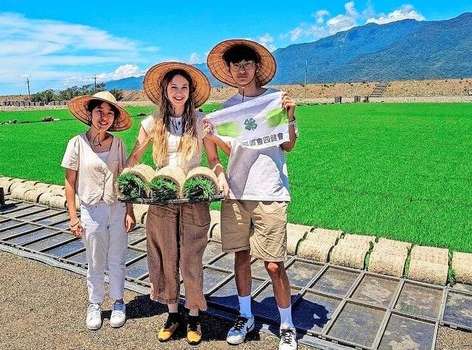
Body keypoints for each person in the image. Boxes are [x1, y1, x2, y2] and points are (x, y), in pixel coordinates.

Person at [204, 39, 299, 350]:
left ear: (257, 68)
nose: (241, 70)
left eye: (246, 64)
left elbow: (287, 146)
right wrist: (211, 136)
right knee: (241, 258)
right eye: (235, 66)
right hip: (236, 192)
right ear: (229, 71)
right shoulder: (227, 109)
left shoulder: (275, 101)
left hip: (270, 190)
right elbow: (232, 151)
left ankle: (286, 324)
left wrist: (290, 118)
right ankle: (245, 316)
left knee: (274, 264)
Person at [126, 62, 211, 345]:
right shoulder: (150, 125)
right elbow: (135, 158)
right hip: (162, 197)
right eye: (173, 86)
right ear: (165, 90)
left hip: (192, 198)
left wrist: (219, 177)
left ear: (190, 92)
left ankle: (195, 314)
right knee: (165, 256)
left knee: (191, 258)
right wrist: (125, 181)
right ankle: (173, 313)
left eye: (184, 87)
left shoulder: (201, 121)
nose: (179, 92)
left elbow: (213, 158)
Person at [62, 91, 136, 331]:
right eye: (99, 112)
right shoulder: (77, 143)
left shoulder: (118, 144)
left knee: (117, 259)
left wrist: (130, 211)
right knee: (94, 261)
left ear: (114, 118)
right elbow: (70, 182)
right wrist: (73, 218)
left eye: (109, 113)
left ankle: (118, 302)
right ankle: (94, 304)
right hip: (91, 211)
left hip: (117, 208)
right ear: (90, 114)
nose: (104, 117)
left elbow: (126, 180)